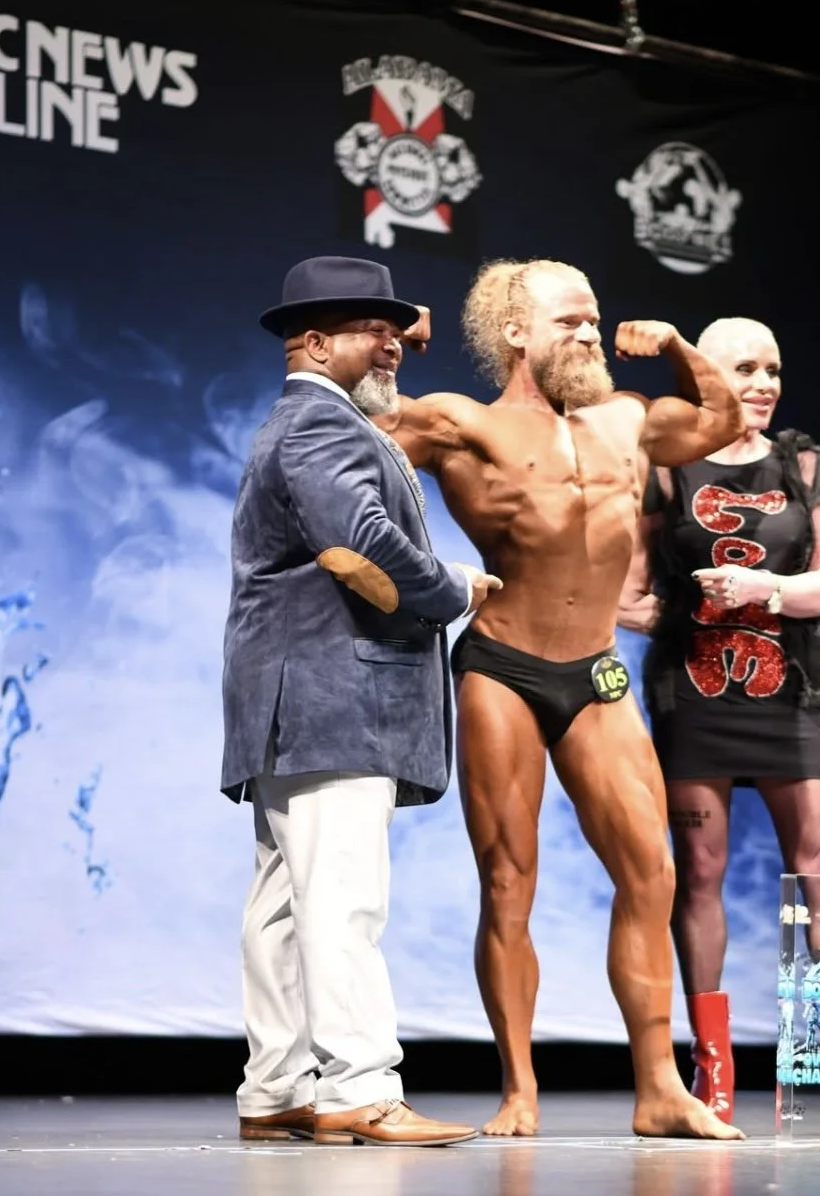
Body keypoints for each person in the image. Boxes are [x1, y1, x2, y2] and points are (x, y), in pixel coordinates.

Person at [373, 258, 746, 1140]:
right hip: (502, 665)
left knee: (651, 875)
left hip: (597, 670)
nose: (588, 333)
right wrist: (390, 349)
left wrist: (682, 350)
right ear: (514, 332)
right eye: (569, 321)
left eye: (594, 317)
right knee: (509, 881)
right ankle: (520, 1090)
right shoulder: (459, 424)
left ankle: (659, 1089)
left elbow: (721, 420)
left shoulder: (630, 419)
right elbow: (349, 442)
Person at [220, 256, 500, 1147]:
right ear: (312, 342)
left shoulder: (308, 418)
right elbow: (365, 539)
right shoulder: (323, 428)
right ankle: (360, 1086)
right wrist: (456, 587)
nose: (394, 346)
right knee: (341, 901)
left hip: (292, 699)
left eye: (395, 330)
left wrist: (388, 331)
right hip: (332, 694)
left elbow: (381, 357)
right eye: (370, 332)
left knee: (286, 904)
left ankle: (276, 1088)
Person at [617, 316, 820, 1136]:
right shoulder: (664, 469)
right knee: (696, 873)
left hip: (795, 692)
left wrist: (761, 594)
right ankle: (711, 1076)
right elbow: (630, 596)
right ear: (706, 372)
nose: (766, 382)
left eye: (774, 367)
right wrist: (683, 609)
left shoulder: (809, 466)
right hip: (695, 691)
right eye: (746, 367)